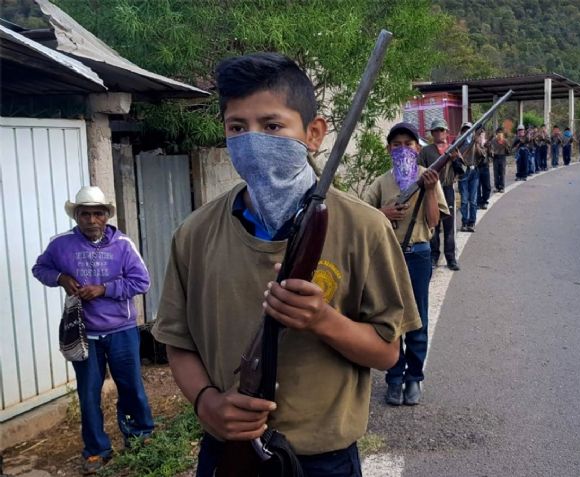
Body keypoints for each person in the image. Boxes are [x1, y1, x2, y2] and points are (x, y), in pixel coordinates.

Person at [151, 53, 419, 476]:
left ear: (314, 133)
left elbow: (387, 353)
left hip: (324, 461)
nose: (253, 140)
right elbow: (178, 341)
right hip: (227, 452)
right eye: (237, 127)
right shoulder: (194, 233)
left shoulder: (365, 227)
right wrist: (206, 402)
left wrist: (322, 320)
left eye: (272, 126)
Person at [32, 186, 153, 475]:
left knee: (131, 387)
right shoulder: (61, 245)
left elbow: (142, 282)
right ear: (76, 216)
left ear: (106, 216)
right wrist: (61, 277)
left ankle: (140, 438)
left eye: (97, 213)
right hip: (84, 332)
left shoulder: (123, 244)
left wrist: (105, 289)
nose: (91, 219)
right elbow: (40, 268)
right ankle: (96, 450)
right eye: (84, 214)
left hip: (121, 330)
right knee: (88, 394)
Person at [363, 122, 449, 406]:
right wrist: (382, 213)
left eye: (408, 143)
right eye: (396, 144)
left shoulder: (429, 178)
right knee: (391, 320)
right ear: (389, 149)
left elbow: (434, 222)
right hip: (387, 256)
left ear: (418, 148)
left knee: (417, 320)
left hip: (419, 254)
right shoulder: (380, 182)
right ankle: (394, 378)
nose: (403, 149)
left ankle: (414, 378)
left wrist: (431, 190)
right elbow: (362, 220)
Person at [420, 119, 460, 271]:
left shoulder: (453, 149)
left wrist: (455, 159)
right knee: (433, 225)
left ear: (447, 132)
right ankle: (434, 257)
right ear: (432, 133)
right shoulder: (426, 151)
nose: (439, 133)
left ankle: (451, 258)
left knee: (449, 227)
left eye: (442, 130)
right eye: (436, 131)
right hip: (431, 191)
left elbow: (462, 170)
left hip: (448, 189)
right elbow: (421, 171)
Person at [457, 122, 485, 232]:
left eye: (469, 129)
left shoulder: (476, 141)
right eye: (465, 130)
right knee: (464, 200)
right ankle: (464, 222)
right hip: (463, 172)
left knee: (473, 200)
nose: (467, 132)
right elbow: (455, 157)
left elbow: (483, 155)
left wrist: (476, 143)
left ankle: (472, 222)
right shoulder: (458, 143)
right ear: (462, 131)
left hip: (474, 172)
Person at [489, 127, 511, 191]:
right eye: (498, 133)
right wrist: (491, 152)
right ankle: (497, 187)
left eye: (501, 133)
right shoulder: (493, 140)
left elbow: (509, 151)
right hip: (495, 158)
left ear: (502, 134)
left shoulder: (505, 141)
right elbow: (491, 149)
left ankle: (502, 187)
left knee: (502, 173)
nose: (499, 134)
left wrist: (505, 145)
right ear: (496, 134)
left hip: (502, 157)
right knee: (496, 173)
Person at [477, 129, 493, 210]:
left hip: (485, 166)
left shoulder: (487, 143)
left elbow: (492, 154)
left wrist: (488, 147)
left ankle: (485, 201)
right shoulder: (475, 144)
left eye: (482, 134)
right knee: (477, 186)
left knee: (487, 186)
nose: (481, 136)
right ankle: (479, 202)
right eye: (480, 134)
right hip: (477, 167)